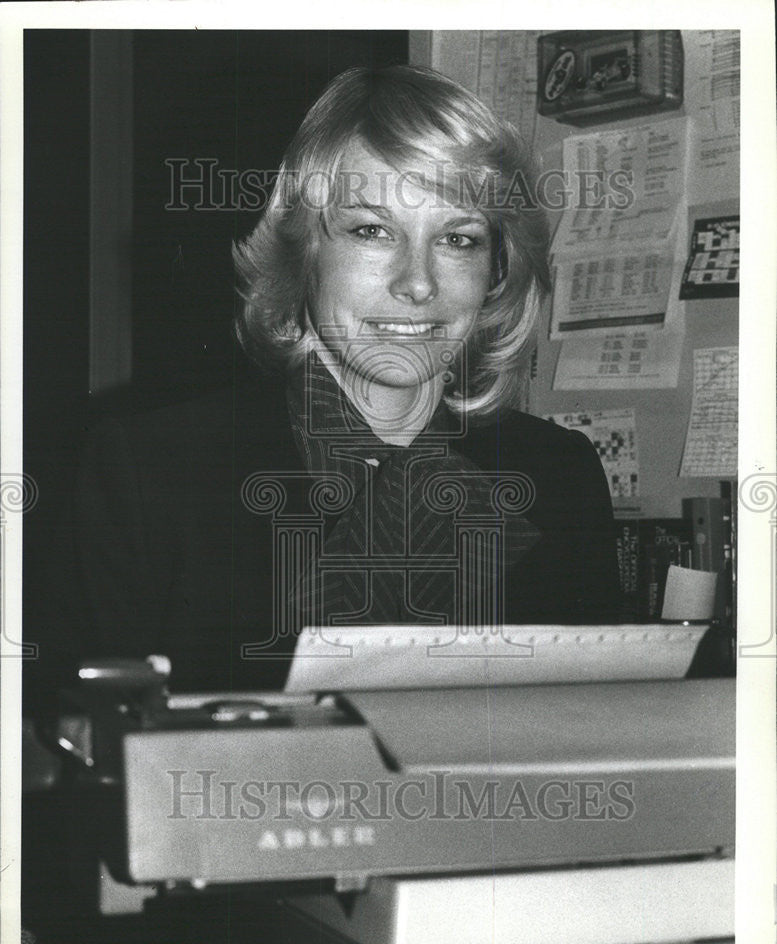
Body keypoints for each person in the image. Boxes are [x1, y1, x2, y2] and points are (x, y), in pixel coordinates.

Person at [61, 64, 620, 693]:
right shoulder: (152, 470)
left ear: (497, 272)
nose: (417, 283)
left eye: (458, 239)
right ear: (305, 252)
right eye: (371, 230)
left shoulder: (556, 472)